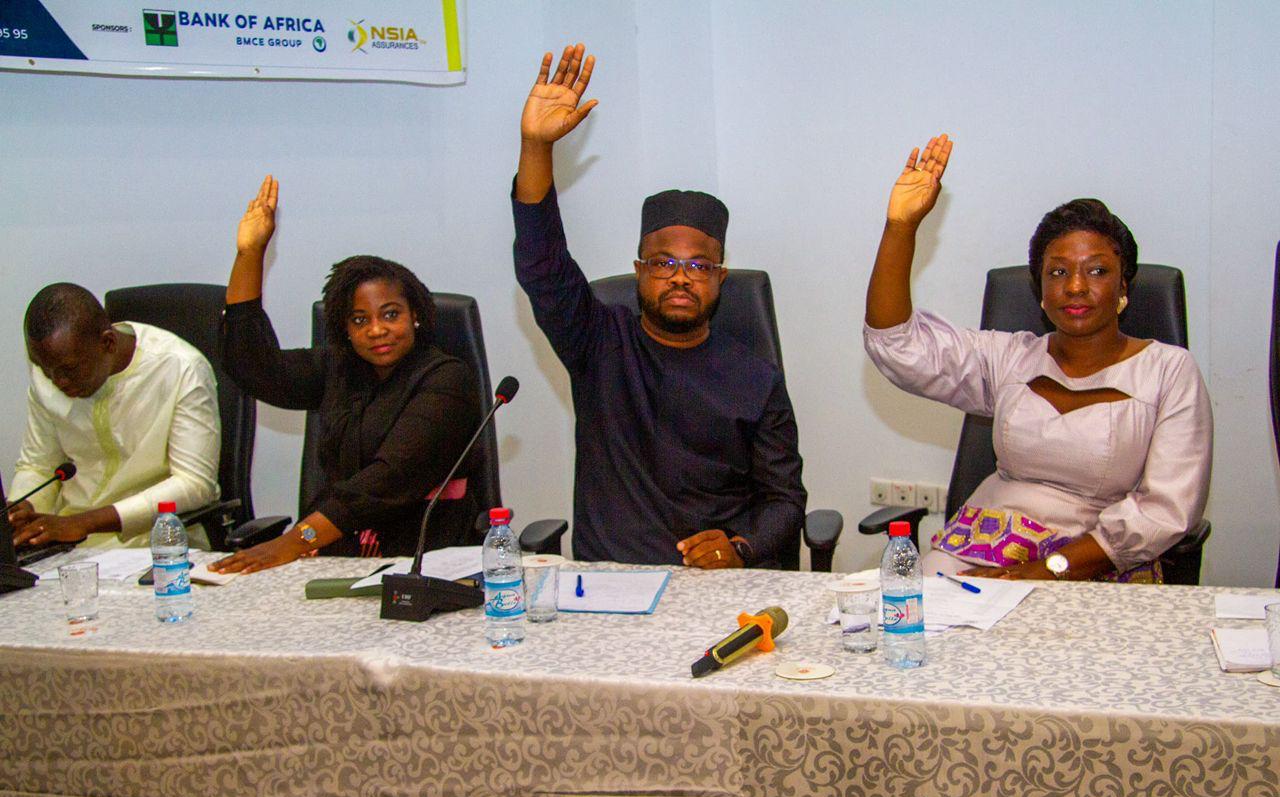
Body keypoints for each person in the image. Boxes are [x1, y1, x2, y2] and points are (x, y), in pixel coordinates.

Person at [863, 136, 1212, 582]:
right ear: (1041, 292)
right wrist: (900, 227)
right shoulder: (1010, 359)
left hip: (1093, 563)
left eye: (1097, 271)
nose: (1076, 286)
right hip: (978, 550)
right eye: (1058, 272)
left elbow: (1165, 510)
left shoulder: (1169, 371)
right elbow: (895, 344)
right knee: (912, 612)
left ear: (1124, 287)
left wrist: (1046, 569)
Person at [512, 44, 807, 569]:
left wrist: (740, 548)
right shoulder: (598, 343)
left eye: (699, 265)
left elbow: (784, 501)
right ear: (639, 270)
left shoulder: (755, 378)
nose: (680, 277)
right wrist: (536, 147)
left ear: (720, 277)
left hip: (714, 582)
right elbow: (543, 266)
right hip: (612, 581)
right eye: (663, 262)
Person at [211, 176, 479, 574]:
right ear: (345, 330)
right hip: (338, 552)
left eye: (390, 314)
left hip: (426, 558)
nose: (377, 329)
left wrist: (295, 540)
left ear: (416, 316)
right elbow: (254, 368)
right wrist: (249, 254)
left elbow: (388, 479)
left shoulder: (447, 380)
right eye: (360, 320)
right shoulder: (338, 369)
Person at [10, 283, 221, 550]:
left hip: (155, 542)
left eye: (69, 369)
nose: (57, 381)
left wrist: (84, 523)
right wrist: (22, 508)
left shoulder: (181, 368)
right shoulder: (53, 370)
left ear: (108, 342)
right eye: (44, 369)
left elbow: (194, 483)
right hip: (66, 545)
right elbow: (39, 465)